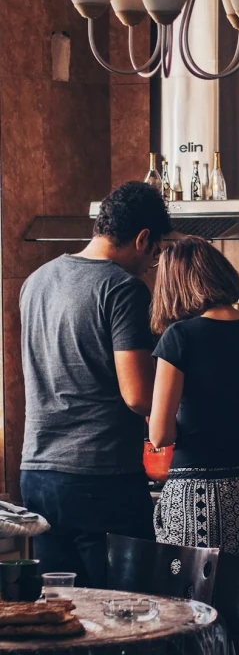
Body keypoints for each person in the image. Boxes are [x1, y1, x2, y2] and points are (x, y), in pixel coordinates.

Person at [20, 181, 173, 588]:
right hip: (99, 477)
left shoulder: (35, 282)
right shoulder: (122, 289)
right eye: (155, 253)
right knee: (128, 615)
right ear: (143, 239)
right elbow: (139, 396)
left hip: (38, 474)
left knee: (66, 612)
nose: (150, 265)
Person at [149, 236, 239, 574]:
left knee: (196, 604)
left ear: (175, 286)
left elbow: (159, 435)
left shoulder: (180, 337)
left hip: (197, 492)